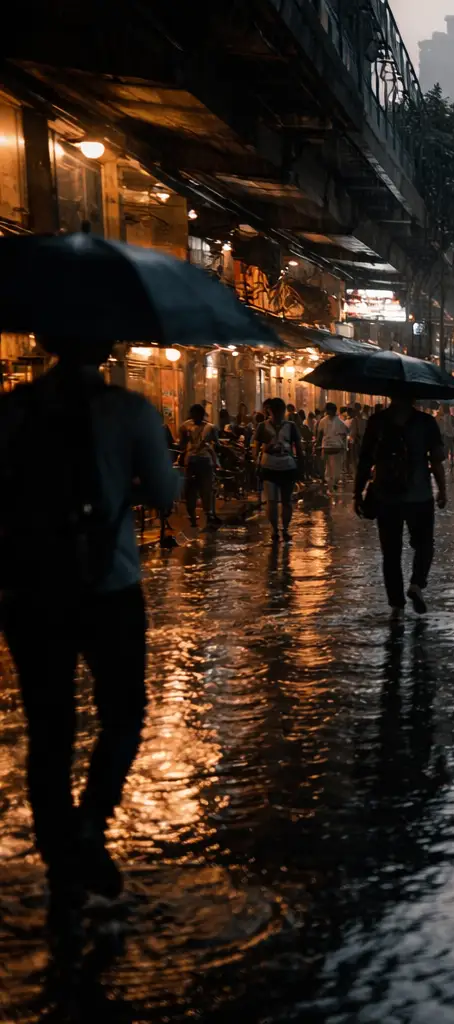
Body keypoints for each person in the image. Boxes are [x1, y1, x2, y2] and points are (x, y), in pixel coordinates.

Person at [0, 334, 181, 935]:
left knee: (49, 728)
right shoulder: (129, 412)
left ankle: (62, 869)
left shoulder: (15, 408)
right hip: (110, 583)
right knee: (124, 713)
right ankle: (89, 825)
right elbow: (163, 493)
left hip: (29, 589)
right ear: (105, 348)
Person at [355, 391, 448, 615]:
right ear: (414, 397)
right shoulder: (426, 422)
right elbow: (436, 460)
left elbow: (365, 459)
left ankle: (396, 604)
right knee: (424, 545)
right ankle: (416, 584)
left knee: (391, 552)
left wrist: (357, 492)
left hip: (386, 496)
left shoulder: (377, 421)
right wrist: (443, 490)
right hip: (420, 495)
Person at [255, 396, 302, 542]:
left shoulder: (291, 426)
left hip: (286, 466)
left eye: (279, 410)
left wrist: (300, 464)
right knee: (274, 501)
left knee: (282, 501)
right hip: (270, 466)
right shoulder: (263, 427)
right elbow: (256, 448)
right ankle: (277, 529)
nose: (277, 413)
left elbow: (299, 448)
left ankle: (282, 529)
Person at [179, 403, 220, 529]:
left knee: (199, 490)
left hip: (198, 461)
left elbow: (182, 445)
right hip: (197, 461)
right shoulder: (186, 427)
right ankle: (200, 517)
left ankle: (200, 517)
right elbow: (217, 444)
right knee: (200, 490)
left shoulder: (188, 427)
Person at [318, 401, 350, 493]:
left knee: (331, 468)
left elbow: (320, 434)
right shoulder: (339, 422)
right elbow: (345, 433)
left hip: (331, 447)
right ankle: (331, 485)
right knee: (332, 468)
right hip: (332, 447)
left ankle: (331, 485)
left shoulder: (325, 421)